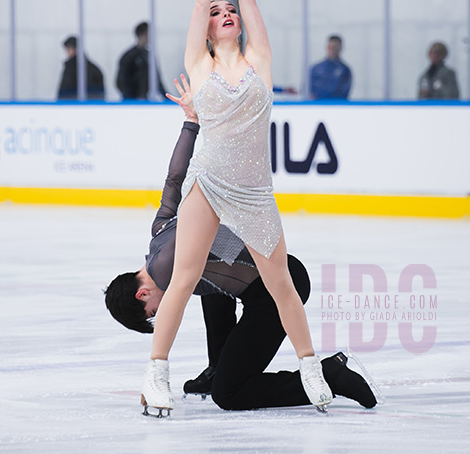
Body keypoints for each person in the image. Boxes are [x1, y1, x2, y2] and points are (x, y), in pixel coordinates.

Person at [142, 0, 333, 416]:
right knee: (185, 275)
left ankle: (312, 365)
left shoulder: (260, 60)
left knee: (281, 283)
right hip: (209, 183)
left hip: (253, 190)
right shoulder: (197, 66)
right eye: (216, 12)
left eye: (230, 12)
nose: (225, 13)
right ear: (205, 26)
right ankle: (155, 373)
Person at [104, 78, 378, 413]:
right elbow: (174, 178)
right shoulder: (158, 232)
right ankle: (218, 366)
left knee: (229, 394)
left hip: (275, 288)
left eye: (153, 312)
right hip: (265, 278)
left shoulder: (166, 268)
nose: (161, 311)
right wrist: (190, 122)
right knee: (205, 288)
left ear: (142, 293)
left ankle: (331, 375)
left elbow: (189, 194)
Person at [116, 21, 166, 100]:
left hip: (145, 100)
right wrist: (131, 99)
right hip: (131, 102)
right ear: (144, 34)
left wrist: (168, 98)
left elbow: (157, 81)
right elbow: (120, 82)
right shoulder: (128, 57)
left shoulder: (149, 56)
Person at [57, 36, 105, 100]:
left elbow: (65, 90)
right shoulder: (93, 68)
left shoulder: (72, 68)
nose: (67, 53)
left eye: (69, 49)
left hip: (73, 105)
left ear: (76, 49)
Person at [309, 35, 352, 100]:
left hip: (335, 106)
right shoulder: (316, 68)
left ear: (340, 48)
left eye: (335, 47)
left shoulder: (344, 70)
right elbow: (309, 89)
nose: (332, 50)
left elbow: (343, 92)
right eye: (330, 47)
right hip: (317, 106)